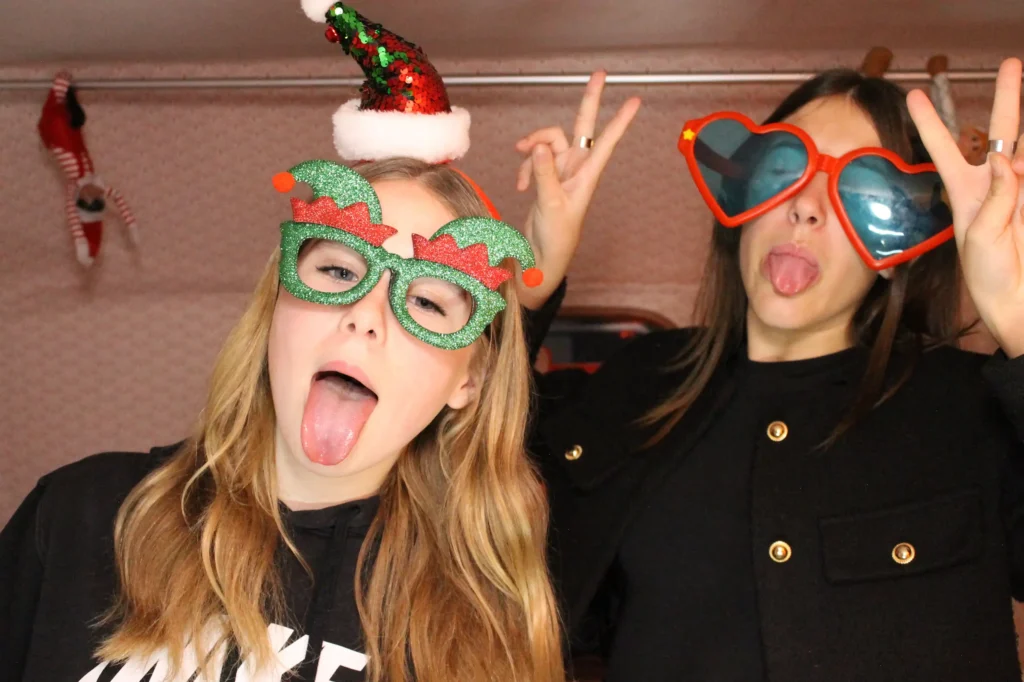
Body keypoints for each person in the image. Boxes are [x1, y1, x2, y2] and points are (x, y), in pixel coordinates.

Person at [1, 4, 572, 681]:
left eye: (426, 301)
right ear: (278, 306)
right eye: (339, 272)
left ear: (468, 382)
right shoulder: (82, 514)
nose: (366, 317)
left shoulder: (487, 634)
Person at [517, 58, 1024, 681]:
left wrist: (1020, 321)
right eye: (783, 171)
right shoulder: (642, 380)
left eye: (860, 193)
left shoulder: (968, 408)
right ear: (742, 201)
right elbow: (464, 455)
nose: (805, 206)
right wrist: (529, 279)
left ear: (895, 249)